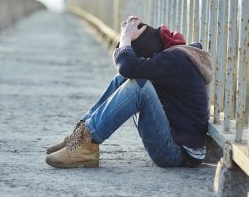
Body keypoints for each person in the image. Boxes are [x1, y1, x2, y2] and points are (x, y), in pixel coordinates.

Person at [45, 16, 213, 168]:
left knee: (139, 86)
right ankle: (81, 136)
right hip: (172, 139)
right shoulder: (171, 55)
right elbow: (126, 70)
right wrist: (125, 40)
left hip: (178, 154)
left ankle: (87, 144)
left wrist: (126, 39)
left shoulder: (175, 60)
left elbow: (127, 67)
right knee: (124, 79)